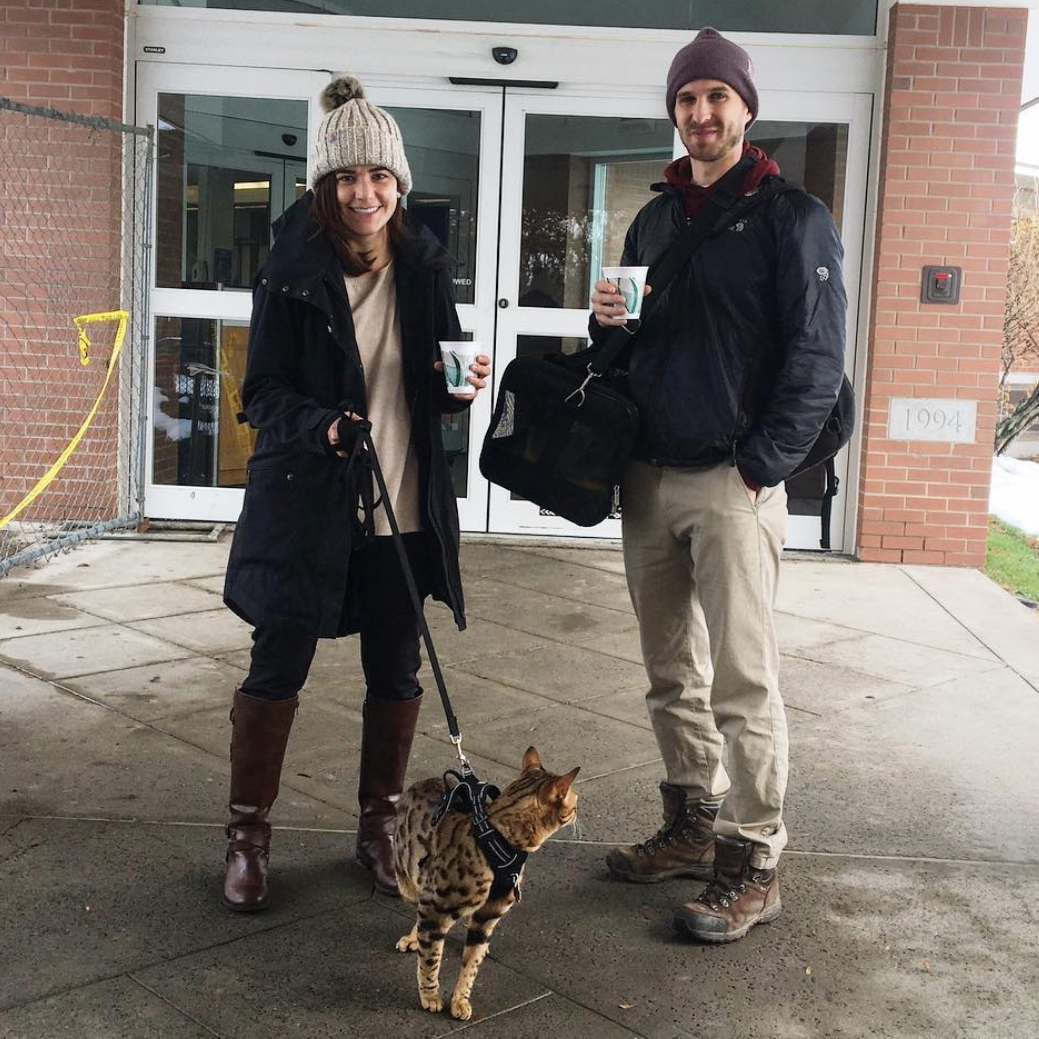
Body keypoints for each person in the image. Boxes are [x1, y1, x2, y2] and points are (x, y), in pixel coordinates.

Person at [589, 28, 847, 943]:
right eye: (686, 99)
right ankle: (690, 825)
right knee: (670, 674)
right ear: (675, 111)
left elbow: (817, 362)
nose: (701, 114)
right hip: (649, 479)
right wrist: (607, 322)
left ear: (745, 108)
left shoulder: (792, 217)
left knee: (743, 680)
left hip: (732, 483)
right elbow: (631, 350)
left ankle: (754, 859)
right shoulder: (654, 218)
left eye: (716, 97)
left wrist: (760, 466)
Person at [221, 75, 491, 911]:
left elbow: (434, 375)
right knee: (277, 666)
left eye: (378, 177)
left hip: (403, 501)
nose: (364, 192)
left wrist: (460, 386)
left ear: (397, 184)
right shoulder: (291, 271)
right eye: (346, 178)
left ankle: (377, 830)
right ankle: (246, 836)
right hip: (308, 500)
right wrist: (323, 425)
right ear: (325, 187)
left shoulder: (421, 266)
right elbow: (258, 395)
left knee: (396, 670)